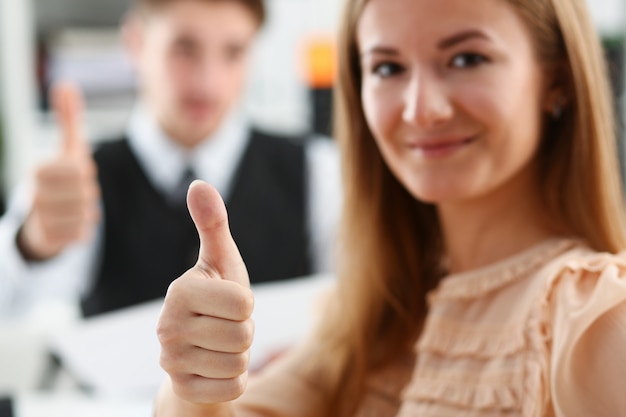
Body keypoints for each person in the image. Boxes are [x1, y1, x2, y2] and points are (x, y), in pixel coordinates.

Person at [153, 0, 626, 415]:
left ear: (557, 80)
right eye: (387, 68)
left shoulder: (596, 319)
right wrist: (195, 388)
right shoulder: (374, 313)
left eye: (466, 58)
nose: (421, 109)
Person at [0, 0, 341, 317]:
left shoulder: (318, 171)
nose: (209, 81)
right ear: (136, 43)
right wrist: (32, 244)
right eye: (184, 49)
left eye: (233, 52)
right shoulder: (79, 180)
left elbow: (359, 306)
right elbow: (13, 305)